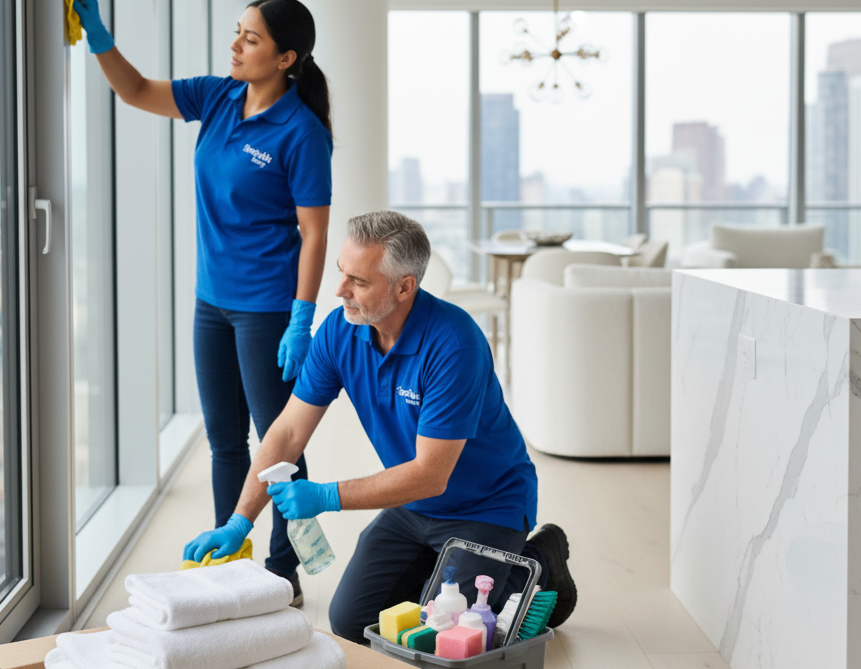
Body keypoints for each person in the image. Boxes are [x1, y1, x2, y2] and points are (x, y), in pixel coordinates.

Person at [183, 211, 577, 639]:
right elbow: (288, 432)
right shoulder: (340, 331)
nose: (340, 291)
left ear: (404, 286)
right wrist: (240, 521)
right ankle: (438, 571)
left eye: (359, 281)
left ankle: (536, 562)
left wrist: (327, 496)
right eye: (342, 273)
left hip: (486, 508)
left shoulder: (454, 344)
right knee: (351, 621)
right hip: (411, 508)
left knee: (448, 635)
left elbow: (431, 474)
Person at [70, 0, 332, 604]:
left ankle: (282, 569)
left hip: (268, 307)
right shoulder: (218, 98)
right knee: (223, 440)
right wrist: (100, 38)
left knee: (278, 440)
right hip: (211, 303)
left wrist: (302, 317)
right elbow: (135, 91)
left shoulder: (301, 132)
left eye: (252, 38)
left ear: (286, 58)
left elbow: (315, 231)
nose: (236, 45)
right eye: (238, 33)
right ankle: (231, 557)